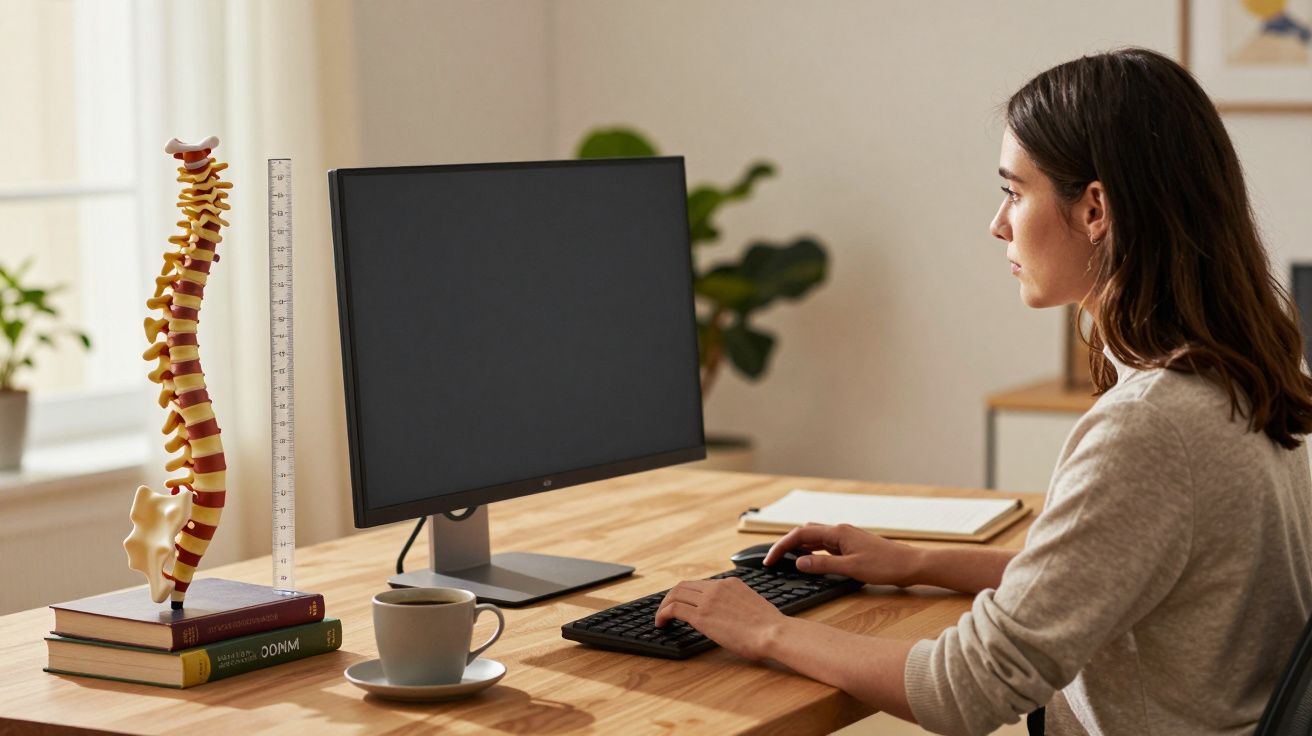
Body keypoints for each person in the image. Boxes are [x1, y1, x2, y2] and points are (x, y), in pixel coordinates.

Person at [654, 46, 1312, 735]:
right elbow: (1110, 574)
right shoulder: (1241, 377)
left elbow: (969, 688)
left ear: (1095, 210)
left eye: (1014, 191)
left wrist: (766, 631)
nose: (998, 224)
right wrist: (917, 563)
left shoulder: (1153, 428)